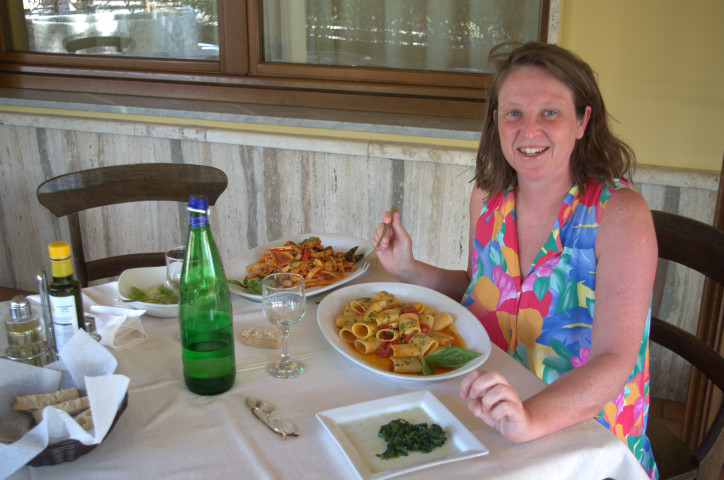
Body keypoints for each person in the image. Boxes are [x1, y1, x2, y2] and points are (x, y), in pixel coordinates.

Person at [372, 42, 658, 479]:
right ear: (496, 122)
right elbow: (479, 288)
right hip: (488, 402)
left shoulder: (619, 214)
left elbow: (615, 360)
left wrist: (530, 419)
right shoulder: (488, 198)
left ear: (583, 121)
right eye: (514, 113)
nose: (529, 130)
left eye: (550, 112)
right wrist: (408, 269)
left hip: (581, 433)